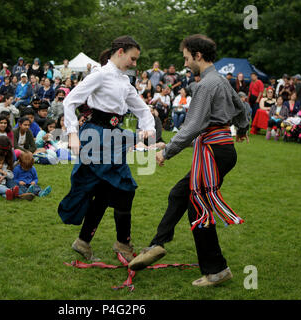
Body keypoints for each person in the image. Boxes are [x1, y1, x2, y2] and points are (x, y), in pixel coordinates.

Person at [128, 34, 249, 287]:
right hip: (219, 150)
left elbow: (193, 125)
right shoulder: (221, 81)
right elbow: (240, 106)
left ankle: (217, 270)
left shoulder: (206, 85)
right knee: (180, 195)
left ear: (198, 55)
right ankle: (157, 244)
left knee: (197, 208)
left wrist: (167, 151)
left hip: (214, 152)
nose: (185, 63)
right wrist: (243, 127)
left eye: (186, 58)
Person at [58, 35, 155, 262]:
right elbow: (69, 101)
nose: (134, 63)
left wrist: (149, 129)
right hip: (97, 138)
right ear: (120, 52)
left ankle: (84, 241)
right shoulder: (100, 75)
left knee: (103, 191)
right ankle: (122, 243)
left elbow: (142, 110)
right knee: (125, 188)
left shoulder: (124, 81)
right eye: (132, 58)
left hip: (114, 138)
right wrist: (72, 134)